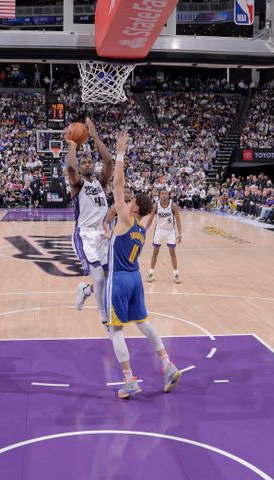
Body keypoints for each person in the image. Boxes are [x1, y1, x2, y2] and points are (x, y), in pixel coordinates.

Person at [105, 132, 181, 399]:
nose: (127, 202)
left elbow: (117, 184)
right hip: (136, 279)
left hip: (120, 281)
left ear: (135, 209)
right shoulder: (139, 229)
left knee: (114, 330)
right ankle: (168, 364)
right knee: (143, 322)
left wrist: (121, 153)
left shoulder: (126, 218)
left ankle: (129, 380)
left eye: (131, 201)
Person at [66, 118, 114, 322]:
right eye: (83, 162)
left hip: (102, 234)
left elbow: (109, 161)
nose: (87, 164)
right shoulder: (77, 185)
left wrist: (94, 136)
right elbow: (69, 169)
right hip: (85, 234)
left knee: (108, 278)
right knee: (101, 278)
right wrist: (73, 146)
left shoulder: (102, 182)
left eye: (89, 162)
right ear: (80, 166)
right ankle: (104, 317)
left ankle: (86, 291)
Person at [145, 189, 183, 283]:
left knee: (172, 253)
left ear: (168, 195)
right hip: (159, 231)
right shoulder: (156, 206)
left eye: (166, 193)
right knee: (155, 253)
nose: (164, 195)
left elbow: (178, 219)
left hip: (170, 231)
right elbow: (150, 219)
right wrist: (144, 230)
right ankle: (151, 272)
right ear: (159, 195)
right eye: (162, 193)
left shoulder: (173, 205)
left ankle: (176, 274)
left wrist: (180, 234)